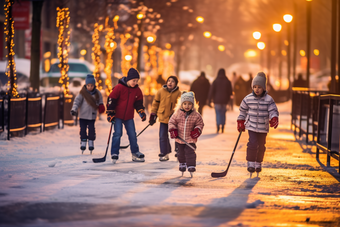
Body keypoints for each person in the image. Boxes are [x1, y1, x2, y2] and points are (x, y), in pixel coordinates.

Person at [237, 72, 279, 176]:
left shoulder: (269, 100)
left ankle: (258, 162)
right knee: (252, 144)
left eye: (259, 87)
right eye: (254, 87)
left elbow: (273, 110)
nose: (257, 89)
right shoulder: (248, 99)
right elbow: (242, 111)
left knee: (261, 146)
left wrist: (274, 117)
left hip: (263, 127)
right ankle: (251, 162)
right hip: (251, 126)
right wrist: (241, 121)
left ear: (264, 88)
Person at [106, 68, 147, 164]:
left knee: (133, 135)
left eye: (137, 81)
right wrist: (110, 113)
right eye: (134, 80)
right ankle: (114, 153)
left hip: (129, 117)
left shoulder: (137, 90)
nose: (135, 82)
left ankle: (135, 152)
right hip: (118, 116)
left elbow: (138, 103)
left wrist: (141, 112)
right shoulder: (119, 87)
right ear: (128, 79)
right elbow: (111, 100)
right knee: (117, 134)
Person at [168, 91, 204, 175]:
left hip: (190, 139)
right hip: (179, 138)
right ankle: (182, 163)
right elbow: (171, 122)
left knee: (190, 152)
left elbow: (200, 124)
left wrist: (197, 130)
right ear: (181, 104)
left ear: (193, 105)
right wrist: (173, 129)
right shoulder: (177, 114)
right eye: (185, 104)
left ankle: (191, 165)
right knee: (181, 152)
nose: (187, 106)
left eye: (189, 104)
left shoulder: (196, 115)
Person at [70, 74, 105, 154]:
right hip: (83, 115)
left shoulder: (97, 93)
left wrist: (101, 106)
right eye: (88, 85)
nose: (90, 87)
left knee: (92, 130)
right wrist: (74, 109)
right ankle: (83, 141)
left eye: (91, 85)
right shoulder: (82, 93)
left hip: (92, 116)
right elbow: (77, 102)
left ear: (94, 85)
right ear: (86, 85)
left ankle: (91, 141)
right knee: (83, 130)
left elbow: (100, 101)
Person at [149, 76, 181, 161]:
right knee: (162, 136)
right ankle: (164, 152)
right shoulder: (160, 91)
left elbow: (181, 107)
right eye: (169, 81)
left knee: (177, 135)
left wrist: (177, 115)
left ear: (176, 84)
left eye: (172, 81)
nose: (170, 83)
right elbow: (155, 104)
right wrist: (153, 114)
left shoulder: (179, 93)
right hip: (163, 118)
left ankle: (179, 151)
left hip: (175, 119)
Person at [208, 68, 233, 133]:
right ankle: (223, 127)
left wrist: (209, 100)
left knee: (218, 114)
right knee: (223, 113)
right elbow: (230, 92)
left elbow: (211, 91)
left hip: (217, 101)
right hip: (225, 101)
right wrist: (229, 100)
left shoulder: (215, 81)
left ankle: (218, 126)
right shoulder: (227, 81)